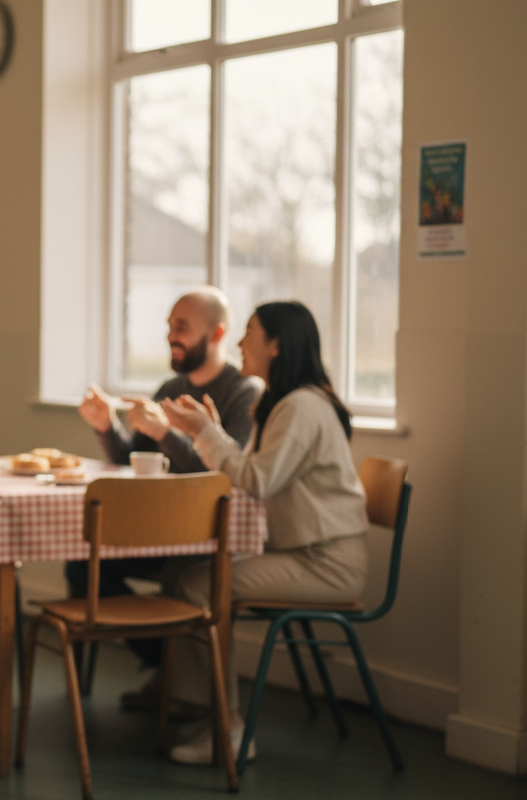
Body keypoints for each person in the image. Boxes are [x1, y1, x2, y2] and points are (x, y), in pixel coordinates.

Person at [155, 300, 368, 766]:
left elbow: (255, 481)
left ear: (275, 345)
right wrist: (209, 431)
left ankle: (226, 727)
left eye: (249, 332)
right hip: (303, 553)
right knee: (184, 575)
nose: (238, 343)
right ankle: (205, 709)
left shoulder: (300, 407)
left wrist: (206, 433)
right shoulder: (285, 403)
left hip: (327, 563)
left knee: (197, 584)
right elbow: (252, 471)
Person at [66, 288, 262, 709]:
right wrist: (106, 426)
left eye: (181, 328)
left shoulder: (243, 393)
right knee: (84, 562)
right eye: (170, 326)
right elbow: (130, 459)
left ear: (218, 333)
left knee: (177, 576)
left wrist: (164, 433)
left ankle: (174, 678)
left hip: (206, 540)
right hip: (157, 533)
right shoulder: (170, 386)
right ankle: (166, 666)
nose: (171, 336)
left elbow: (221, 476)